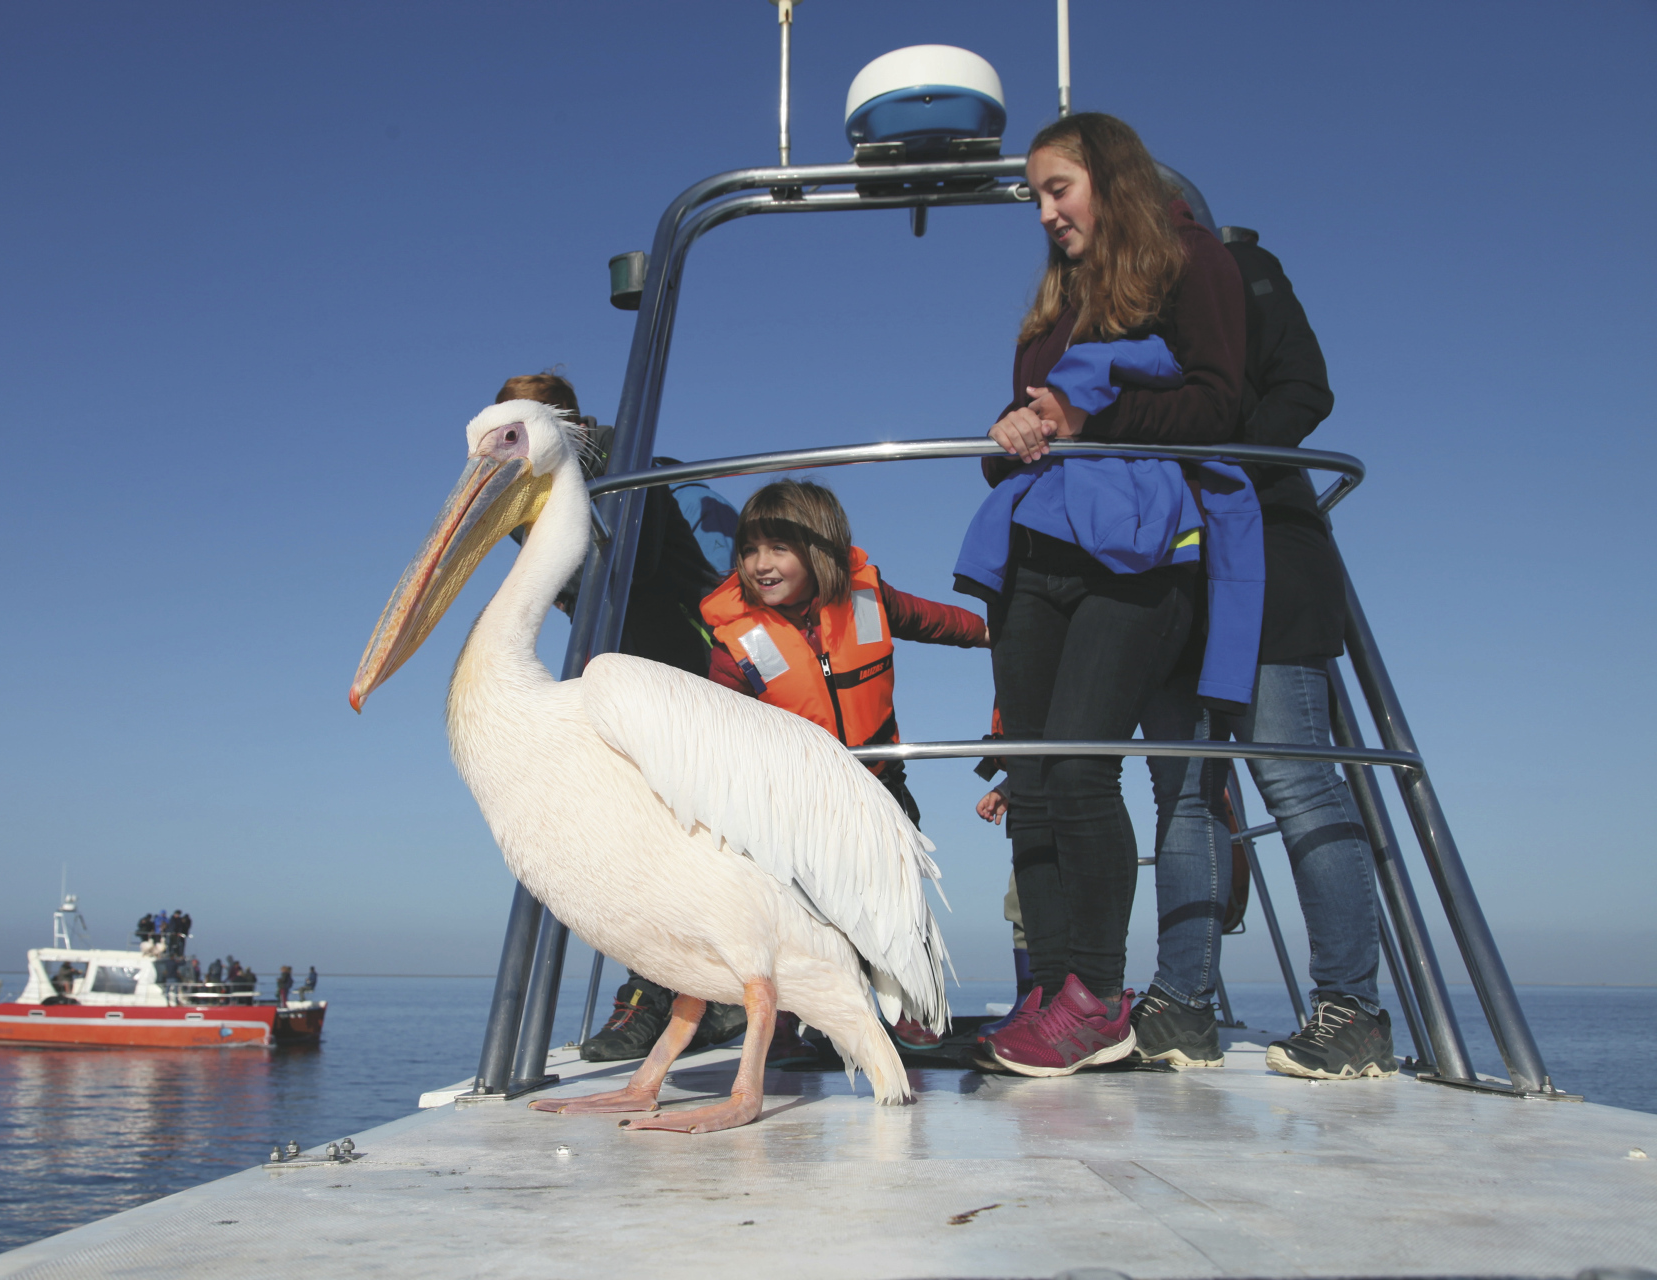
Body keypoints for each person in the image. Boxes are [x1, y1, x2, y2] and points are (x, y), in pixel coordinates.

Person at [958, 112, 1249, 1078]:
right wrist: (1011, 427)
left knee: (1082, 768)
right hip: (1035, 549)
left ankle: (1096, 997)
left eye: (1059, 189)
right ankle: (1047, 991)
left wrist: (1094, 415)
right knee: (1034, 779)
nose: (1046, 213)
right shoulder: (1053, 303)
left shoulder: (1192, 261)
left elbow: (1218, 399)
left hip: (1138, 554)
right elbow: (1036, 418)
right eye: (1035, 197)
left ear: (1111, 179)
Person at [1132, 226, 1394, 1079]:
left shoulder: (1239, 266)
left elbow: (1304, 386)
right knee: (1181, 788)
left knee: (1295, 775)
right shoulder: (1106, 305)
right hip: (1166, 562)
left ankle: (1353, 1010)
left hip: (1269, 548)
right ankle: (1182, 1004)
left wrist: (1213, 461)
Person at [491, 373, 751, 1065]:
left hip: (680, 666)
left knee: (682, 830)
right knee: (633, 832)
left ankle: (702, 993)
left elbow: (628, 569)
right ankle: (661, 992)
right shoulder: (528, 487)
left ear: (560, 422)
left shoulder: (624, 469)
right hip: (623, 665)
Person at [702, 478, 989, 1059]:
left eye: (778, 548)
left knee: (898, 899)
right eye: (750, 550)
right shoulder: (735, 641)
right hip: (792, 802)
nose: (760, 564)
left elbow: (936, 621)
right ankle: (785, 1023)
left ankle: (913, 1009)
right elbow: (714, 725)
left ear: (820, 550)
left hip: (879, 783)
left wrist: (992, 633)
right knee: (792, 914)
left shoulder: (868, 597)